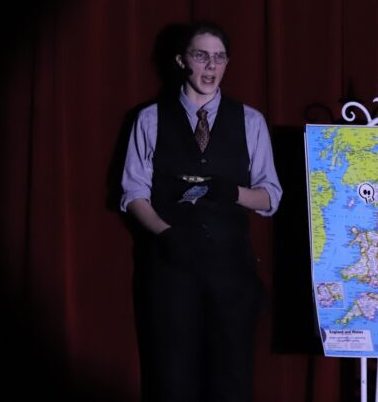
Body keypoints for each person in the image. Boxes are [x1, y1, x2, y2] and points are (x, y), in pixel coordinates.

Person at [121, 22, 283, 402]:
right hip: (170, 273)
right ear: (182, 61)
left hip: (232, 276)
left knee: (232, 383)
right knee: (172, 381)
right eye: (201, 56)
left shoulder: (250, 121)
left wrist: (234, 193)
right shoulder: (150, 119)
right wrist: (166, 233)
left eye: (220, 57)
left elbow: (270, 197)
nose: (211, 66)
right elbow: (133, 194)